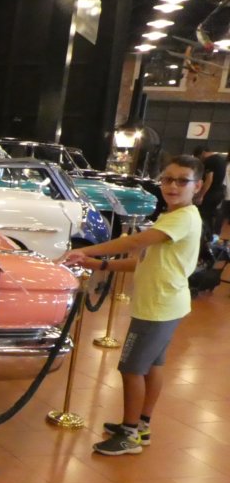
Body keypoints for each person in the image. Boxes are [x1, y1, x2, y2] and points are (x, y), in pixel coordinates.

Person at [62, 155, 203, 456]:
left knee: (131, 368)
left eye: (182, 181)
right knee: (152, 366)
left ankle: (129, 435)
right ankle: (141, 425)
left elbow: (132, 244)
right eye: (168, 179)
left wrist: (87, 249)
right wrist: (98, 263)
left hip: (158, 307)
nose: (173, 186)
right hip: (166, 303)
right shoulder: (173, 216)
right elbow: (143, 261)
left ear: (198, 186)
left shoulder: (183, 217)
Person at [192, 145, 226, 239]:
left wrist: (200, 195)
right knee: (210, 215)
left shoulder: (210, 161)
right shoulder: (221, 159)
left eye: (199, 157)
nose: (200, 160)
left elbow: (209, 179)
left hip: (210, 194)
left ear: (203, 153)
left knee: (203, 215)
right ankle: (210, 237)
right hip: (219, 192)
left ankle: (204, 237)